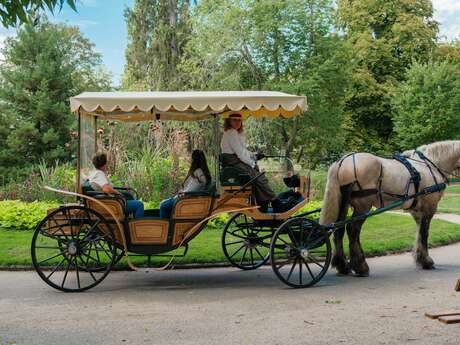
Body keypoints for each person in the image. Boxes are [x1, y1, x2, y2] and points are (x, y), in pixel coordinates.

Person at [220, 113, 276, 211]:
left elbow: (243, 151)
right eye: (235, 120)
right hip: (234, 163)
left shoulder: (233, 133)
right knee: (260, 178)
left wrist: (253, 155)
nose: (238, 122)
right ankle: (276, 202)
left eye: (239, 120)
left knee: (257, 179)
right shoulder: (232, 132)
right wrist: (253, 164)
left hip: (234, 162)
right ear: (229, 121)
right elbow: (240, 154)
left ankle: (262, 205)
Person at [87, 152, 144, 218]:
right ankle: (137, 226)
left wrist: (120, 190)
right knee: (139, 204)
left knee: (131, 198)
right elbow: (107, 189)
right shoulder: (99, 174)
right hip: (111, 204)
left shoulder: (95, 173)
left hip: (109, 201)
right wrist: (118, 193)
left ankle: (130, 223)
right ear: (104, 164)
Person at [159, 149, 211, 218]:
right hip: (187, 198)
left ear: (194, 160)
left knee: (163, 205)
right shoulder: (202, 172)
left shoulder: (198, 173)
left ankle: (166, 226)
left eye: (191, 157)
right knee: (165, 203)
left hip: (186, 200)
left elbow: (191, 190)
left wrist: (181, 194)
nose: (189, 159)